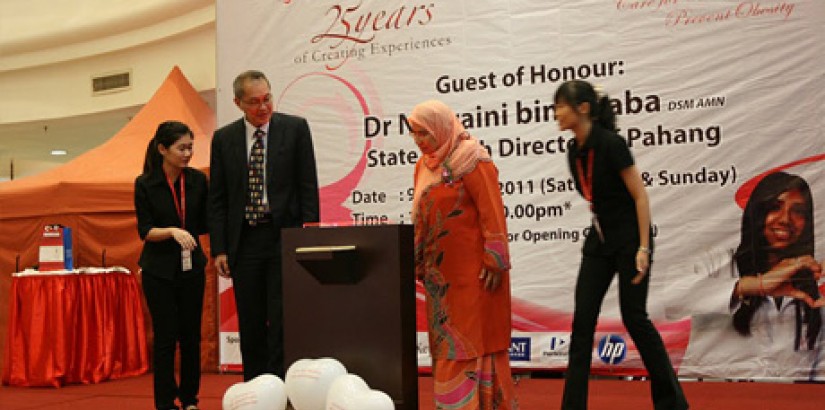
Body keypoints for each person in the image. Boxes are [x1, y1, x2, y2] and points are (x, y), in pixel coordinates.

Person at [554, 80, 688, 410]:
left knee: (635, 318)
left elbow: (639, 196)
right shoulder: (574, 150)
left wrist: (644, 248)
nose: (555, 113)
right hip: (599, 242)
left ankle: (672, 403)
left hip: (630, 241)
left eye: (561, 106)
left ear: (582, 109)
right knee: (582, 323)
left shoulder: (611, 144)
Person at [209, 70, 319, 381]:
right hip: (245, 242)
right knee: (251, 320)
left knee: (283, 318)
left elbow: (307, 185)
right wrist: (219, 249)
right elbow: (217, 198)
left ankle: (282, 386)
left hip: (283, 239)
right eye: (254, 102)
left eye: (267, 98)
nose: (263, 107)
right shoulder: (224, 138)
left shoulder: (295, 128)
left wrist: (307, 236)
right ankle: (256, 388)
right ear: (238, 103)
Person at [407, 99, 518, 409]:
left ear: (441, 129)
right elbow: (420, 216)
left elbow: (492, 211)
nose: (418, 141)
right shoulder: (424, 166)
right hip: (441, 278)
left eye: (423, 133)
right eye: (414, 134)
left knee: (473, 342)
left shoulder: (473, 159)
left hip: (477, 274)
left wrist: (495, 259)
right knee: (448, 346)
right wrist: (416, 261)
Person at [134, 121, 209, 410]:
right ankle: (165, 402)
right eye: (182, 148)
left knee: (191, 337)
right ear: (163, 149)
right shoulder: (145, 183)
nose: (188, 153)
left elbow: (205, 220)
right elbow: (145, 231)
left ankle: (190, 399)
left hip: (192, 269)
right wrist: (172, 231)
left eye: (191, 147)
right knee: (166, 338)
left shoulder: (197, 181)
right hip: (158, 271)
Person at [731, 172, 823, 350]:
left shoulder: (811, 291)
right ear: (757, 214)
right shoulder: (720, 266)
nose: (785, 219)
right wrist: (756, 285)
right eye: (775, 207)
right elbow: (676, 302)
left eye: (798, 212)